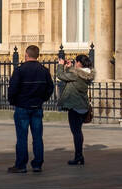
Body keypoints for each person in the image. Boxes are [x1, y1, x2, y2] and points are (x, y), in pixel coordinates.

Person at [7, 45, 54, 173]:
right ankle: (37, 164)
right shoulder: (44, 70)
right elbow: (50, 87)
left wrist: (13, 101)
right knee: (37, 137)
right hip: (37, 107)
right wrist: (42, 99)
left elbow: (12, 89)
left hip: (22, 107)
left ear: (26, 55)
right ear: (37, 55)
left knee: (22, 137)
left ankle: (21, 165)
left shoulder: (20, 70)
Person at [56, 53, 94, 166]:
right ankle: (79, 156)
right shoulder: (85, 74)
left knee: (76, 132)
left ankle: (78, 157)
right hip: (83, 106)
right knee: (78, 132)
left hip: (75, 107)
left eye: (76, 62)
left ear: (78, 63)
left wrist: (60, 65)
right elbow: (70, 78)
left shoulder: (77, 74)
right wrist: (69, 68)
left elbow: (60, 76)